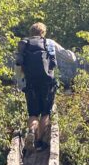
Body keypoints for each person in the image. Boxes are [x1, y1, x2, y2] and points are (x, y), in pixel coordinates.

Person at [15, 22, 58, 152]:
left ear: (31, 32)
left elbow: (18, 66)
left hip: (31, 83)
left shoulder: (24, 44)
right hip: (47, 83)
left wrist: (20, 82)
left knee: (33, 113)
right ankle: (40, 142)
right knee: (45, 112)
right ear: (43, 33)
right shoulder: (49, 43)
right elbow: (68, 58)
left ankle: (32, 131)